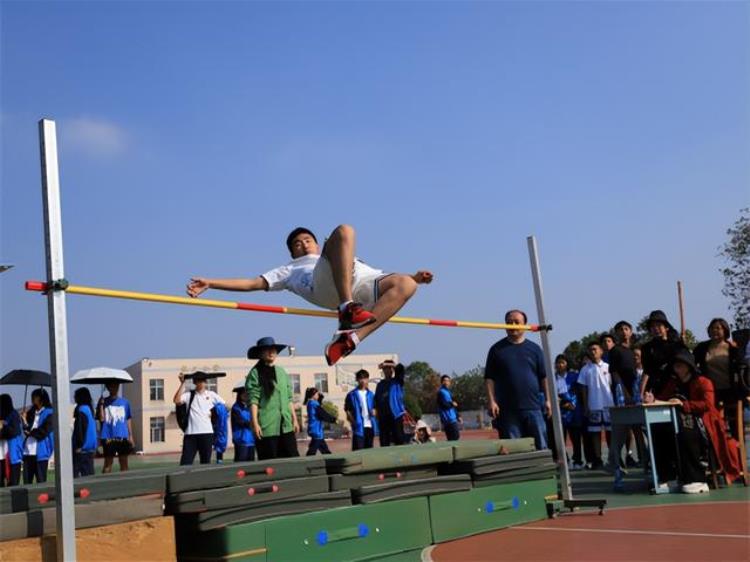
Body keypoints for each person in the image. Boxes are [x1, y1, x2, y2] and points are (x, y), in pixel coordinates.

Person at [186, 225, 434, 366]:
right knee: (345, 231)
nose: (304, 244)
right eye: (297, 243)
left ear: (317, 245)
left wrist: (415, 277)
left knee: (407, 284)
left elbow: (384, 279)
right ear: (293, 253)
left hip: (361, 280)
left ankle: (351, 340)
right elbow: (252, 282)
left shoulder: (339, 255)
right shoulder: (290, 269)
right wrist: (211, 282)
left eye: (307, 240)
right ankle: (347, 308)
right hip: (327, 284)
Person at [645, 350, 742, 492]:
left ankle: (697, 479)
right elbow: (664, 398)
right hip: (678, 420)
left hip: (704, 422)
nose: (676, 368)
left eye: (680, 365)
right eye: (675, 365)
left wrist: (683, 404)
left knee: (686, 433)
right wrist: (653, 400)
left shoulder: (703, 381)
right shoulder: (673, 382)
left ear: (688, 366)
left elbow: (707, 405)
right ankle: (670, 477)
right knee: (658, 431)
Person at [484, 310, 550, 451]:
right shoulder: (496, 350)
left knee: (541, 446)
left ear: (525, 325)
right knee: (514, 449)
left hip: (533, 407)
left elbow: (544, 376)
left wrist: (548, 400)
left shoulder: (535, 349)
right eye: (509, 322)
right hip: (508, 410)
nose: (512, 325)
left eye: (516, 322)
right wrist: (491, 401)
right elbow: (489, 378)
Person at [245, 337, 300, 460]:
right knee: (270, 462)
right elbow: (253, 400)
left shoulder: (281, 372)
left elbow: (289, 399)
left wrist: (294, 419)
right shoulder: (255, 373)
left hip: (285, 425)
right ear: (260, 353)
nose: (271, 352)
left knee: (292, 458)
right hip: (267, 426)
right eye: (267, 350)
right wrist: (255, 423)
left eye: (273, 350)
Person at [174, 371, 226, 465]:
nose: (201, 383)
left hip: (207, 433)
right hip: (191, 434)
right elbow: (177, 401)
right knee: (185, 463)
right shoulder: (189, 395)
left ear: (205, 382)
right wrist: (182, 383)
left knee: (205, 463)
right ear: (194, 382)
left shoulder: (211, 395)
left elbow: (224, 406)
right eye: (198, 381)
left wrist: (213, 412)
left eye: (203, 380)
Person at [608, 320, 640, 467]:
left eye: (626, 328)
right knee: (622, 429)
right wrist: (622, 393)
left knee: (638, 429)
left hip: (637, 393)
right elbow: (614, 373)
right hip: (623, 394)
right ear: (617, 333)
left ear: (631, 331)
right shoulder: (615, 350)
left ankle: (640, 458)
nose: (624, 331)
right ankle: (614, 459)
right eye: (620, 329)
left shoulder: (636, 349)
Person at [578, 343, 614, 470]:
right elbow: (583, 388)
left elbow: (613, 385)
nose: (593, 351)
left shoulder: (608, 367)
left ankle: (613, 457)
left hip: (609, 404)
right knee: (595, 434)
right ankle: (598, 458)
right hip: (593, 405)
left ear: (601, 351)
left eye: (595, 349)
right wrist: (586, 405)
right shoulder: (585, 369)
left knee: (611, 432)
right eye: (590, 349)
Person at [693, 318, 742, 409]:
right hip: (709, 390)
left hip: (730, 390)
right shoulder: (702, 348)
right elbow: (692, 363)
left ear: (725, 330)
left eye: (718, 328)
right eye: (712, 328)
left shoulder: (733, 349)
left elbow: (739, 368)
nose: (714, 331)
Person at [640, 310, 687, 397]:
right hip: (656, 388)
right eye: (653, 326)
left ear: (666, 328)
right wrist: (641, 392)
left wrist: (682, 345)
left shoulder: (676, 345)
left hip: (676, 386)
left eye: (659, 325)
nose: (656, 329)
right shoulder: (647, 348)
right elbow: (647, 371)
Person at [551, 355, 584, 468]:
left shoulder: (574, 376)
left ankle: (578, 461)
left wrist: (572, 403)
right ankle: (564, 460)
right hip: (559, 413)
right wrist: (561, 403)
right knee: (560, 439)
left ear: (567, 364)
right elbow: (551, 394)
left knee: (576, 438)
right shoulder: (552, 378)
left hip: (574, 412)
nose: (560, 365)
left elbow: (579, 392)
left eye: (562, 362)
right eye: (558, 362)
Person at [98, 381, 134, 473]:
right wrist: (101, 405)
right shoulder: (103, 402)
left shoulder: (125, 402)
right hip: (108, 436)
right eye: (112, 385)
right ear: (108, 387)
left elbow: (128, 419)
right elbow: (101, 419)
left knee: (124, 463)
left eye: (116, 386)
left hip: (122, 435)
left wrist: (130, 436)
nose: (114, 388)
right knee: (108, 463)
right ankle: (105, 484)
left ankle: (124, 484)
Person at [22, 388, 54, 484]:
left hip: (41, 452)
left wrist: (31, 432)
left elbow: (44, 431)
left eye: (35, 396)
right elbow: (26, 429)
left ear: (41, 398)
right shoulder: (31, 412)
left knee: (41, 481)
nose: (32, 399)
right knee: (27, 481)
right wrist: (24, 419)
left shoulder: (50, 412)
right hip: (28, 452)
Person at [375, 360, 407, 446]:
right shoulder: (380, 385)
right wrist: (377, 412)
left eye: (389, 368)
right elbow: (376, 400)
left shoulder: (397, 381)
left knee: (399, 438)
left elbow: (401, 368)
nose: (387, 371)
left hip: (396, 414)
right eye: (385, 369)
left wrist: (389, 364)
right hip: (383, 416)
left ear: (392, 370)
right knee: (384, 440)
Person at [345, 369, 379, 450]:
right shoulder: (351, 395)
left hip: (369, 426)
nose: (363, 381)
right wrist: (353, 421)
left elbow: (375, 408)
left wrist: (375, 412)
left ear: (368, 379)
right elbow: (347, 409)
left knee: (369, 451)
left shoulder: (371, 394)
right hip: (359, 427)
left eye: (365, 378)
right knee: (358, 451)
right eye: (361, 378)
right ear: (357, 379)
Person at [72, 388, 98, 478]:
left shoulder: (81, 410)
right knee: (89, 474)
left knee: (78, 475)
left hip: (82, 448)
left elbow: (80, 429)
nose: (74, 398)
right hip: (90, 447)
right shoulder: (89, 410)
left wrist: (79, 445)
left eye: (75, 396)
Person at [303, 387, 337, 456]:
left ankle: (330, 460)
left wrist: (320, 398)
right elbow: (323, 414)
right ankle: (306, 462)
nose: (318, 395)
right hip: (316, 430)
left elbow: (319, 408)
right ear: (313, 395)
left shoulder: (311, 403)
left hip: (315, 429)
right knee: (312, 451)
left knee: (323, 449)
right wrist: (333, 419)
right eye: (317, 394)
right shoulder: (313, 404)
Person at [0, 394, 24, 486]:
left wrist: (3, 426)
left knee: (13, 480)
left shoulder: (13, 415)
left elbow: (14, 431)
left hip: (13, 453)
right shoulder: (3, 415)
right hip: (4, 453)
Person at [231, 385, 255, 462]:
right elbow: (239, 422)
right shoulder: (236, 408)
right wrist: (252, 423)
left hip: (251, 440)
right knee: (240, 464)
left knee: (250, 464)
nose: (246, 395)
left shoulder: (251, 407)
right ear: (239, 395)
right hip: (241, 440)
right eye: (243, 394)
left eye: (247, 394)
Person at [437, 375, 460, 441]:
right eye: (445, 381)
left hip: (452, 418)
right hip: (447, 419)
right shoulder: (440, 392)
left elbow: (453, 406)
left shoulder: (449, 392)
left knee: (454, 437)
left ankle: (453, 450)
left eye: (448, 381)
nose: (446, 382)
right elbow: (442, 404)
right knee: (454, 437)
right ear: (441, 382)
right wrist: (451, 404)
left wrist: (458, 416)